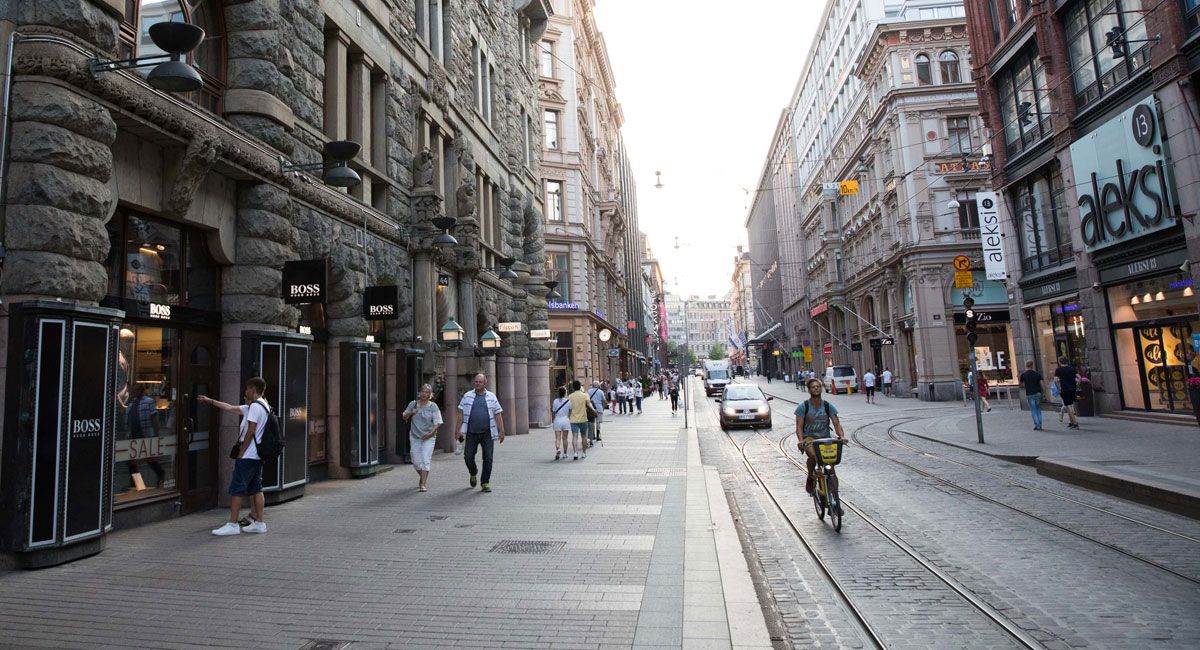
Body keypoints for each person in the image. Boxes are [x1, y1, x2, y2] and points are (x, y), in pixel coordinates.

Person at [201, 378, 270, 536]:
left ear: (253, 390)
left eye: (247, 389)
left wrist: (242, 452)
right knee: (256, 488)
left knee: (236, 489)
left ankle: (232, 524)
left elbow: (250, 430)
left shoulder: (254, 407)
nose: (245, 392)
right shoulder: (263, 405)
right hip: (258, 456)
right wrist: (210, 400)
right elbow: (230, 408)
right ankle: (260, 523)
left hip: (248, 455)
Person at [455, 373, 505, 492]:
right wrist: (457, 430)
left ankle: (485, 482)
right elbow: (461, 414)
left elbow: (498, 414)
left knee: (488, 458)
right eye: (476, 382)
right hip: (471, 432)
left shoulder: (491, 396)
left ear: (485, 383)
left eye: (480, 382)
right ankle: (473, 472)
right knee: (468, 457)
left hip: (487, 433)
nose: (477, 384)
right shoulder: (467, 396)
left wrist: (501, 430)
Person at [794, 378, 845, 495]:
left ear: (821, 388)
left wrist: (841, 436)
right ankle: (811, 476)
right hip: (809, 439)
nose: (816, 388)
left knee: (831, 468)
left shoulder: (827, 406)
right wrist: (801, 440)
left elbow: (837, 423)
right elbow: (799, 426)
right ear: (809, 390)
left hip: (825, 439)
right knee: (813, 455)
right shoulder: (803, 407)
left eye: (818, 386)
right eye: (813, 387)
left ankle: (834, 499)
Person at [403, 384, 443, 491]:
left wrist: (430, 433)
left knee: (426, 459)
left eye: (427, 392)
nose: (424, 394)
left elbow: (438, 422)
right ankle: (422, 476)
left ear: (430, 394)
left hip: (429, 436)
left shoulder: (433, 406)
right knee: (415, 461)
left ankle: (423, 484)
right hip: (415, 436)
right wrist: (411, 412)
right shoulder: (413, 404)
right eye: (423, 391)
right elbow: (404, 416)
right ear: (419, 392)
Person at [567, 380, 592, 460]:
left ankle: (575, 453)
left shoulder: (570, 396)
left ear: (573, 387)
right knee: (584, 436)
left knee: (574, 436)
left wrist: (568, 416)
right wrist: (594, 410)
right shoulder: (585, 395)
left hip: (573, 419)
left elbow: (569, 408)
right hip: (583, 419)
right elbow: (589, 404)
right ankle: (584, 453)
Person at [1054, 356, 1080, 430]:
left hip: (1065, 390)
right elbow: (1079, 378)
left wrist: (1059, 388)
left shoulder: (1058, 370)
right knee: (1070, 405)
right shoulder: (1071, 369)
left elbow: (1055, 380)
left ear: (1059, 362)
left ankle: (1075, 423)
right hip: (1072, 389)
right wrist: (1077, 386)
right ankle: (1071, 422)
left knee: (1069, 406)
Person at [1019, 361, 1044, 431]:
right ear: (1032, 366)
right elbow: (1042, 383)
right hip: (1038, 393)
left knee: (1033, 410)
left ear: (1026, 365)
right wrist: (1043, 392)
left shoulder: (1023, 375)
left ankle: (1037, 425)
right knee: (1038, 409)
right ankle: (1040, 424)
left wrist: (1026, 386)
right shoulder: (1037, 374)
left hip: (1030, 394)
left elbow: (1020, 384)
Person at [551, 386, 571, 460]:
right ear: (565, 393)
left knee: (557, 438)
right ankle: (565, 453)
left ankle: (558, 449)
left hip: (557, 420)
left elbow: (553, 410)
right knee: (565, 438)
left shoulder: (555, 401)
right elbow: (570, 410)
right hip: (565, 420)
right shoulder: (568, 401)